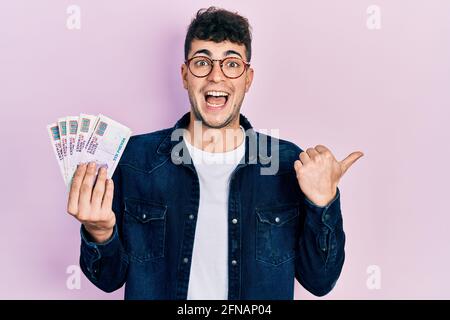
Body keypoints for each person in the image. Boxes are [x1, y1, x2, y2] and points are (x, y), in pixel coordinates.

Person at [67, 7, 363, 300]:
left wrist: (323, 203)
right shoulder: (133, 159)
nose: (216, 77)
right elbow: (108, 281)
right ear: (185, 75)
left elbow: (320, 282)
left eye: (232, 64)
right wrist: (99, 232)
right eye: (202, 62)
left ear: (248, 78)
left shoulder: (287, 165)